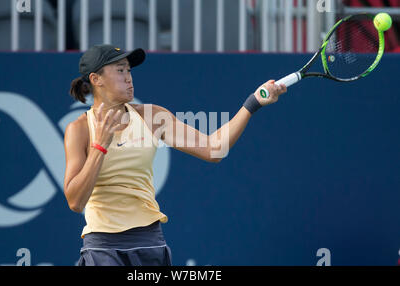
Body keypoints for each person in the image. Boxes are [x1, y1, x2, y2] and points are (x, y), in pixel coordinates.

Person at [64, 44, 287, 266]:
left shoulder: (152, 117)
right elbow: (75, 201)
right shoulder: (79, 129)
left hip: (149, 243)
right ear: (96, 79)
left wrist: (253, 102)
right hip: (102, 248)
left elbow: (213, 149)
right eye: (120, 70)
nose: (129, 77)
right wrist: (100, 147)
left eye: (129, 70)